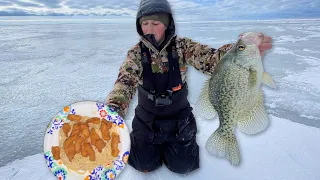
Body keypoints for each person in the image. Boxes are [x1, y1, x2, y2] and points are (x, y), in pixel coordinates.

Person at [106, 0, 272, 175]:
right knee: (143, 164)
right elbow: (124, 83)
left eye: (155, 23)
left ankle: (182, 145)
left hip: (179, 115)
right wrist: (113, 110)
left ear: (167, 23)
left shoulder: (183, 47)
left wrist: (238, 51)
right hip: (147, 117)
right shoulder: (136, 53)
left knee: (183, 167)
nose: (149, 29)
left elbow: (212, 60)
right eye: (145, 23)